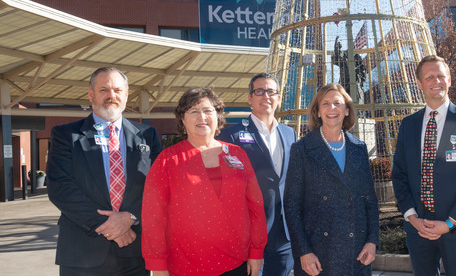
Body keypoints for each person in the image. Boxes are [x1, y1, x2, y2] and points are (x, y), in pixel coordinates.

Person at [46, 67, 162, 276]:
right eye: (104, 90)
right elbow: (60, 187)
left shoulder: (148, 135)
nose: (111, 96)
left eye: (117, 90)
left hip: (134, 252)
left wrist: (131, 217)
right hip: (82, 252)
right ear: (91, 95)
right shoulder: (66, 135)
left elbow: (157, 186)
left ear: (126, 96)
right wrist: (110, 226)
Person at [142, 87, 267, 276]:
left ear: (217, 117)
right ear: (183, 120)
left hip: (237, 265)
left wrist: (256, 252)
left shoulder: (237, 154)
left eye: (208, 111)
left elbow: (256, 207)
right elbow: (153, 217)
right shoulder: (167, 160)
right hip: (186, 267)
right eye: (194, 111)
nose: (202, 117)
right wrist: (158, 267)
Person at [391, 55, 456, 276]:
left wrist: (450, 223)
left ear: (449, 80)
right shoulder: (408, 125)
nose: (436, 81)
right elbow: (399, 175)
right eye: (429, 77)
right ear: (419, 83)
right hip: (418, 228)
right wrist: (412, 218)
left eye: (441, 76)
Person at [284, 83, 379, 276]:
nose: (332, 108)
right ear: (318, 112)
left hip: (357, 251)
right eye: (325, 103)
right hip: (318, 254)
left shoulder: (358, 148)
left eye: (337, 103)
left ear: (346, 110)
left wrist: (372, 241)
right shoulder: (302, 149)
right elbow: (292, 206)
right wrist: (304, 252)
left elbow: (369, 200)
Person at [218, 73, 297, 276]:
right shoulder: (231, 136)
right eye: (259, 91)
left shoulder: (290, 134)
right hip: (249, 233)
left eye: (271, 92)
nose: (266, 96)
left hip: (284, 233)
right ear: (250, 98)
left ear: (278, 98)